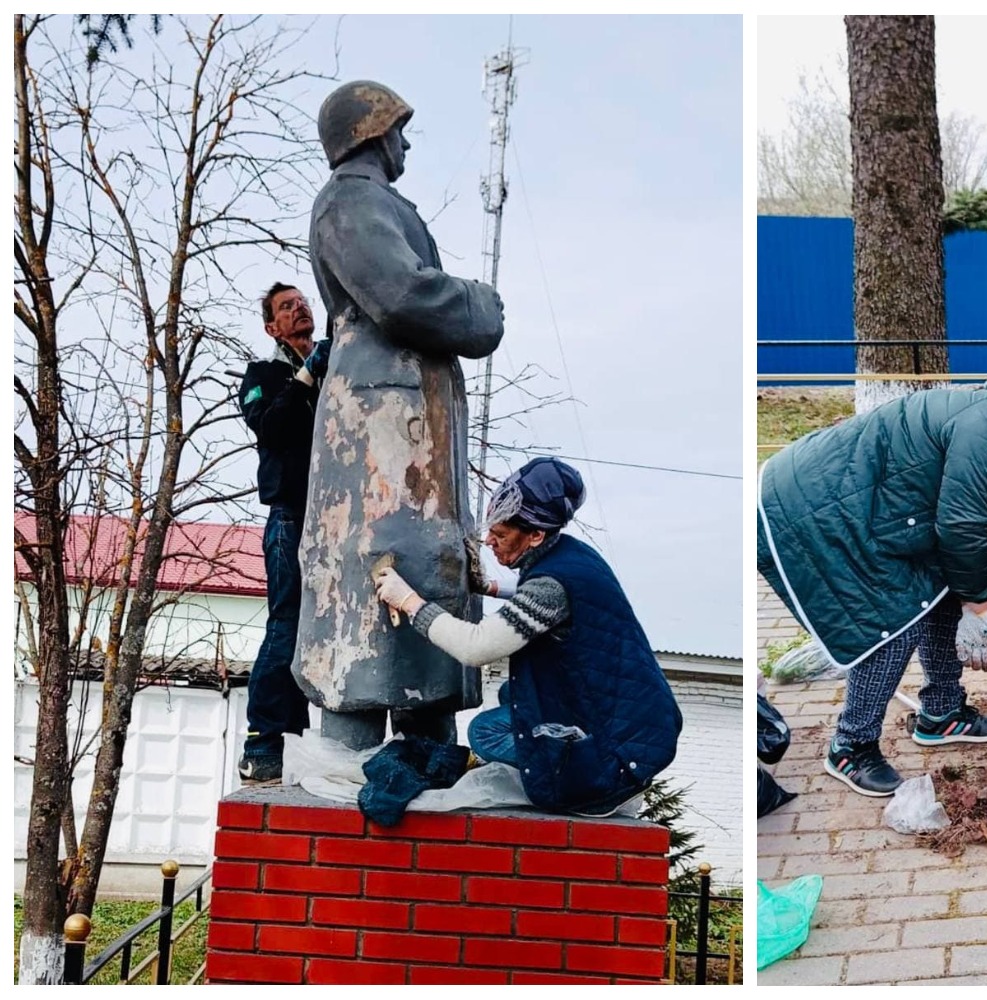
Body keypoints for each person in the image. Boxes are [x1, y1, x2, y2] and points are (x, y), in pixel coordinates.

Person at [758, 363, 987, 796]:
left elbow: (971, 531)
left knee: (938, 595)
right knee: (892, 623)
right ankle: (850, 745)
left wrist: (969, 598)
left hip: (877, 513)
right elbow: (962, 530)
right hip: (818, 509)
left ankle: (940, 712)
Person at [296, 80, 506, 751]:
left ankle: (426, 749)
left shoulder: (368, 202)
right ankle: (356, 759)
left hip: (403, 427)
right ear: (373, 133)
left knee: (417, 571)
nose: (406, 141)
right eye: (398, 128)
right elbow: (403, 296)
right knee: (371, 582)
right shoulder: (351, 202)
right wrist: (481, 306)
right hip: (380, 435)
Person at [372, 458, 683, 817]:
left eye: (501, 535)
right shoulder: (572, 556)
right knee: (508, 710)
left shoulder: (551, 587)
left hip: (619, 752)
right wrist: (488, 586)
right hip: (631, 722)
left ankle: (599, 791)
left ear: (535, 535)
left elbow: (477, 646)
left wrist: (409, 601)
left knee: (485, 735)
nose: (489, 541)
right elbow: (540, 591)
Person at [236, 283, 329, 782]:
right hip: (290, 519)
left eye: (303, 302)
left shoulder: (337, 371)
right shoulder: (264, 376)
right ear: (273, 327)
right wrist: (306, 375)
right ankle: (264, 740)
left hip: (332, 522)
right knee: (287, 624)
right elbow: (270, 428)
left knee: (319, 631)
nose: (299, 308)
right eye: (286, 307)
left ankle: (296, 737)